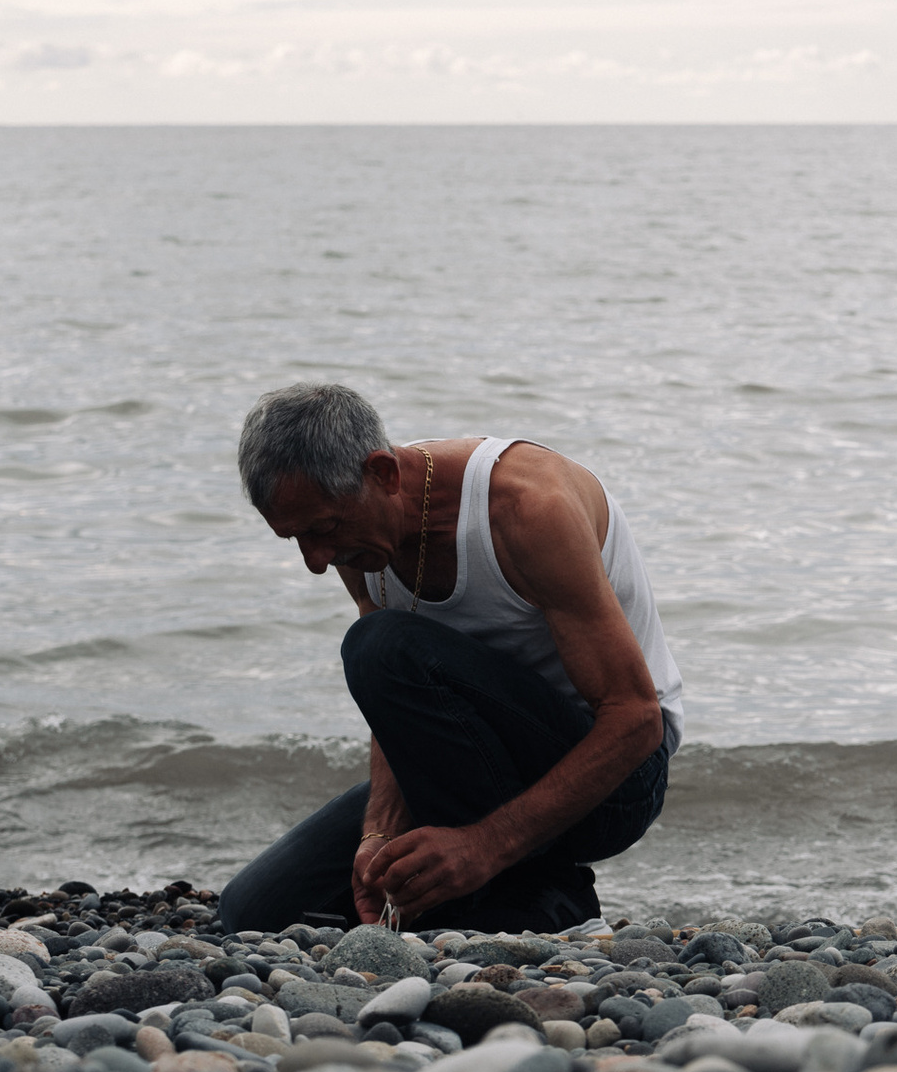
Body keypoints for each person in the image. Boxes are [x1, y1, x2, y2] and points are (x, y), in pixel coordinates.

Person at [217, 383, 682, 934]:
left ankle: (545, 894)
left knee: (380, 643)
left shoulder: (528, 508)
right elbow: (394, 702)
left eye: (322, 530)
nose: (316, 561)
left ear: (383, 474)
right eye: (295, 538)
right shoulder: (357, 533)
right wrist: (379, 830)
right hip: (468, 767)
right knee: (253, 911)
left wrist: (484, 846)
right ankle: (485, 895)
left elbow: (636, 720)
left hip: (614, 784)